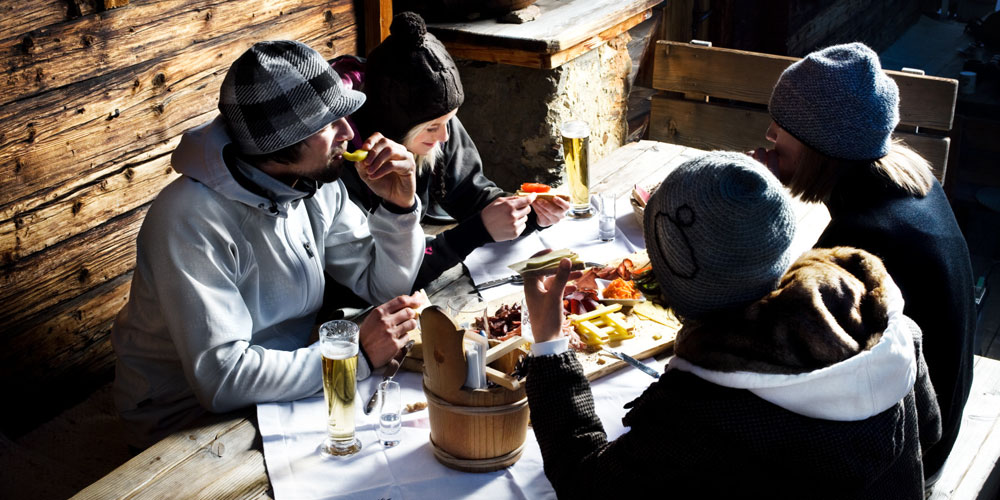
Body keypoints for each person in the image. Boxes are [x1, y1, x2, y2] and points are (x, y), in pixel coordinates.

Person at [522, 152, 941, 498]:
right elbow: (931, 428)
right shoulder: (883, 321)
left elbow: (586, 484)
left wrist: (550, 348)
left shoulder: (698, 417)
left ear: (674, 279)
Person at [111, 40, 426, 449]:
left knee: (400, 428)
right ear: (280, 143)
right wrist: (352, 357)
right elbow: (221, 380)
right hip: (184, 416)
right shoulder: (188, 219)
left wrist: (399, 208)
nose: (349, 131)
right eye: (328, 123)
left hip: (287, 379)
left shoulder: (311, 185)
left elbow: (383, 285)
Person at [750, 42, 975, 480]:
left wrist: (756, 207)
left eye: (783, 126)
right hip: (932, 418)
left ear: (821, 142)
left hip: (908, 458)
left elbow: (780, 344)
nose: (770, 135)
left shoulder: (865, 237)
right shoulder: (910, 180)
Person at [337, 12, 571, 290]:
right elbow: (387, 277)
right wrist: (475, 232)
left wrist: (530, 216)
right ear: (394, 128)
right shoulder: (339, 167)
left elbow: (474, 198)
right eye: (433, 127)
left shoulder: (435, 117)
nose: (445, 136)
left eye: (449, 121)